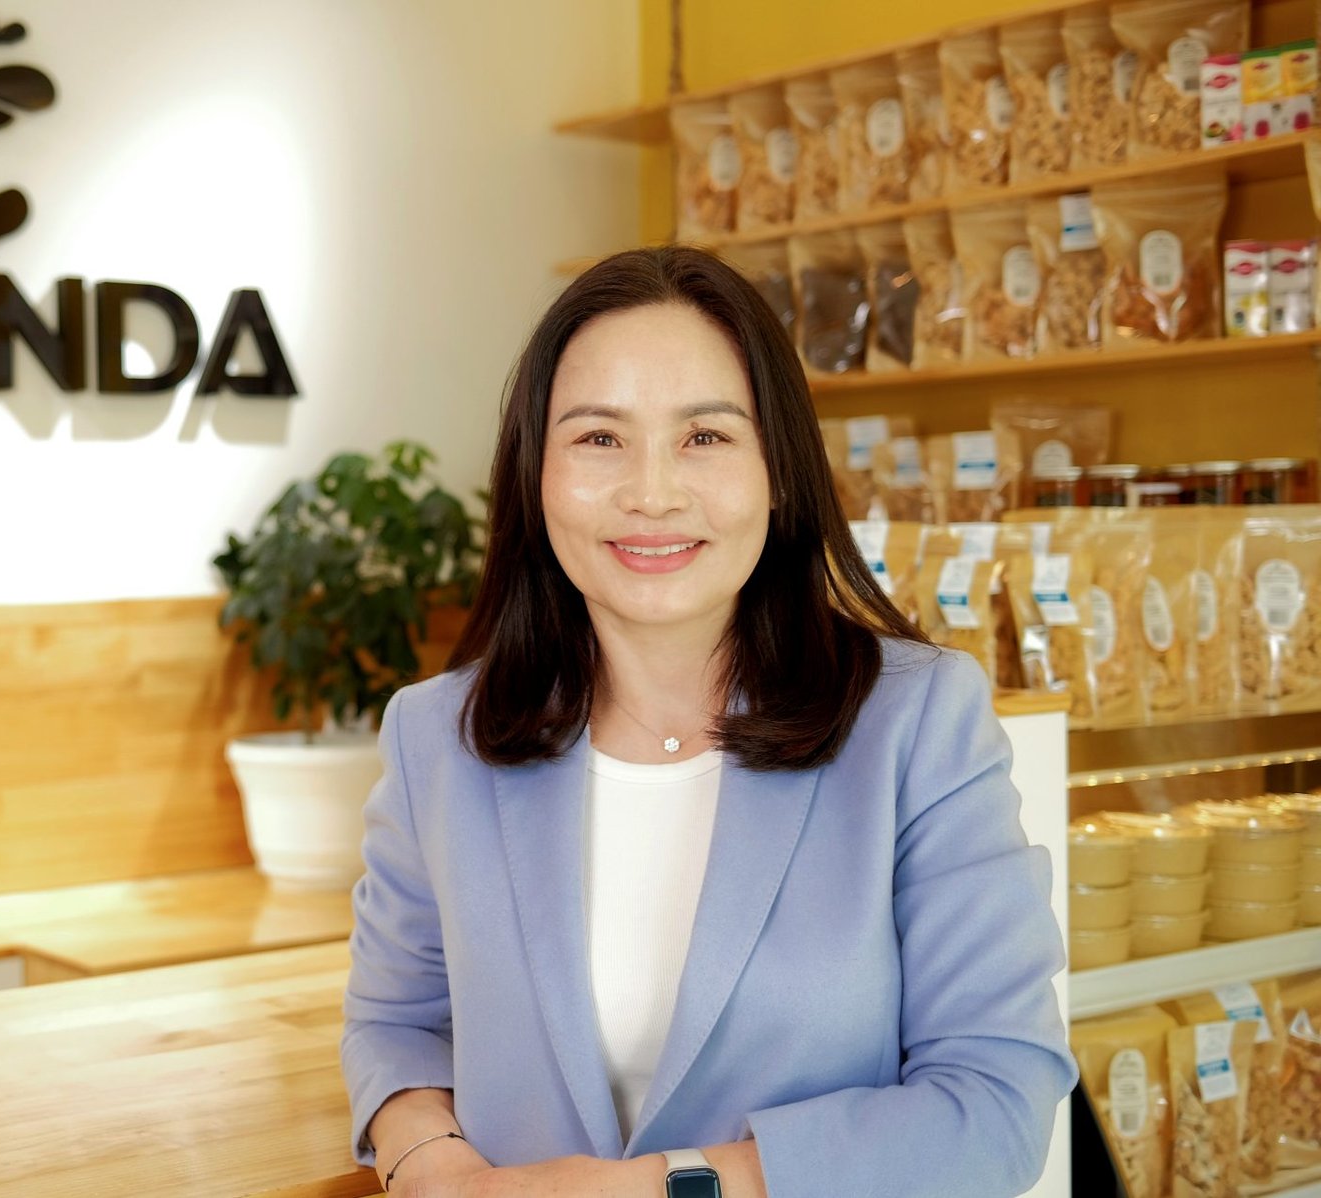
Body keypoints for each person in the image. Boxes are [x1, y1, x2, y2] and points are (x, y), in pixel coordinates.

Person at [338, 246, 1077, 1197]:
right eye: (599, 438)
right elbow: (395, 1024)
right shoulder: (438, 737)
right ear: (534, 475)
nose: (652, 491)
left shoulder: (918, 724)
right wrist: (432, 1165)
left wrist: (665, 1190)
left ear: (779, 470)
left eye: (706, 437)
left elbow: (995, 1105)